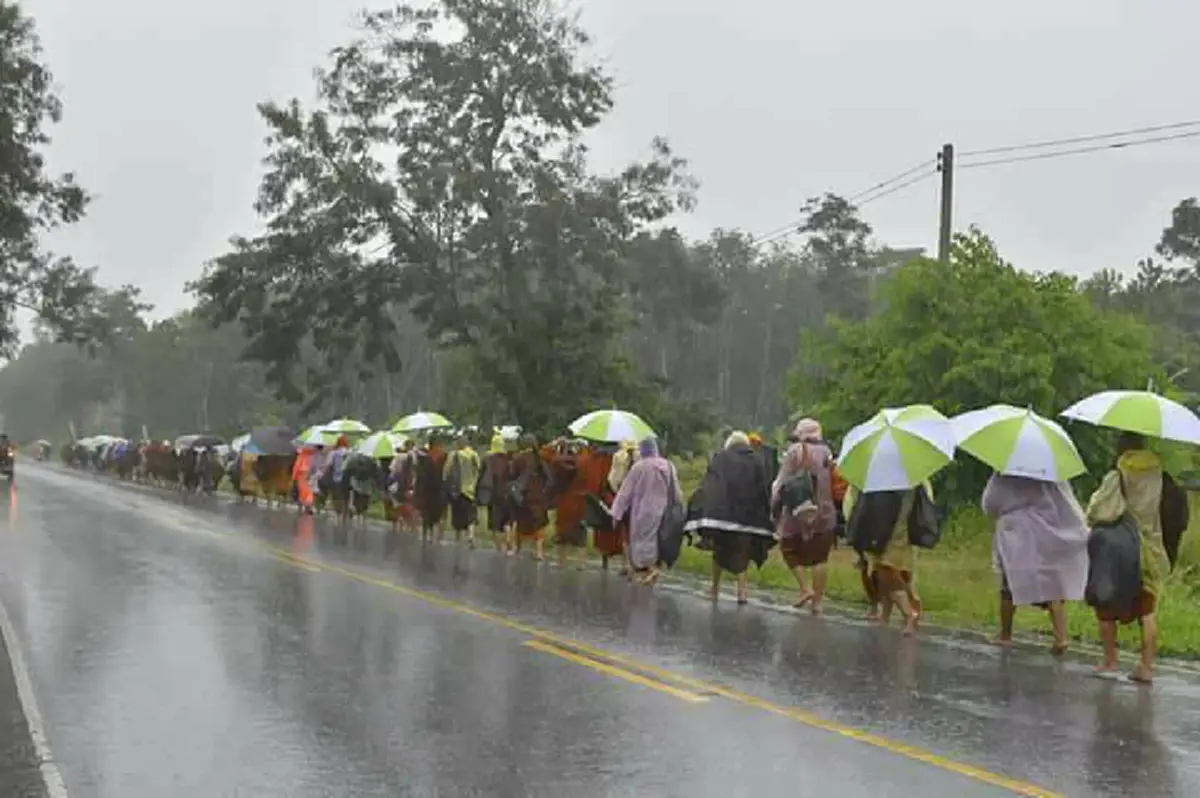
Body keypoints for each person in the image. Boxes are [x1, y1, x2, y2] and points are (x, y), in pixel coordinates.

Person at [1086, 432, 1172, 683]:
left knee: (1105, 602)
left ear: (1122, 448)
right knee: (1147, 608)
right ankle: (1146, 667)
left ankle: (1110, 660)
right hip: (1150, 546)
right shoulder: (1158, 474)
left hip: (1121, 546)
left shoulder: (1118, 474)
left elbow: (1100, 509)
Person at [982, 473, 1089, 655]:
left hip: (1016, 534)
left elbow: (990, 503)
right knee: (1052, 585)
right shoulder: (1052, 473)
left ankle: (1005, 635)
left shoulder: (1005, 473)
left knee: (1009, 584)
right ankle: (1060, 637)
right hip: (1047, 531)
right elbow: (1066, 504)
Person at [687, 431, 775, 604]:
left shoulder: (721, 458)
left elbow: (710, 484)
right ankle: (742, 592)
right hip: (748, 516)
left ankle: (715, 589)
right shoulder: (757, 460)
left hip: (722, 515)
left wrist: (704, 508)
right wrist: (765, 514)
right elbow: (763, 488)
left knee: (719, 550)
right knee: (743, 552)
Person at [844, 482, 929, 636]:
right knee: (885, 574)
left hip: (888, 534)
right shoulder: (914, 481)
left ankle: (909, 613)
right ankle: (886, 616)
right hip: (900, 533)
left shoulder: (886, 482)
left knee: (887, 575)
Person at [773, 419, 838, 615]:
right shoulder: (827, 453)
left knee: (789, 549)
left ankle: (804, 588)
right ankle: (817, 603)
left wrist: (774, 505)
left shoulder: (794, 451)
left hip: (797, 511)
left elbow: (781, 482)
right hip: (824, 512)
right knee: (820, 558)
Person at [611, 437, 683, 586]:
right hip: (663, 511)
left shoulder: (639, 467)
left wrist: (616, 513)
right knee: (657, 541)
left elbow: (625, 492)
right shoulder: (668, 466)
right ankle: (651, 574)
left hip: (642, 512)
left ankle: (651, 569)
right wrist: (679, 506)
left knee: (642, 543)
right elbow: (676, 491)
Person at [546, 438, 590, 570]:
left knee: (562, 530)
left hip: (564, 500)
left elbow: (547, 455)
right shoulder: (584, 461)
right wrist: (583, 447)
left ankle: (562, 562)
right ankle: (582, 563)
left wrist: (557, 444)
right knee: (580, 531)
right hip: (581, 500)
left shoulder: (559, 462)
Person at [509, 433, 551, 560]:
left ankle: (516, 548)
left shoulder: (518, 458)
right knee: (539, 523)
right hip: (538, 494)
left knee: (520, 522)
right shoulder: (539, 458)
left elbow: (512, 475)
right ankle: (539, 552)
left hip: (523, 495)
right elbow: (548, 477)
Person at [444, 434, 482, 546]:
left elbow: (447, 470)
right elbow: (479, 470)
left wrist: (445, 482)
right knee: (471, 514)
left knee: (457, 514)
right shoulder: (474, 454)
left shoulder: (453, 454)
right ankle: (471, 535)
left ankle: (458, 539)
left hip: (457, 489)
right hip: (471, 489)